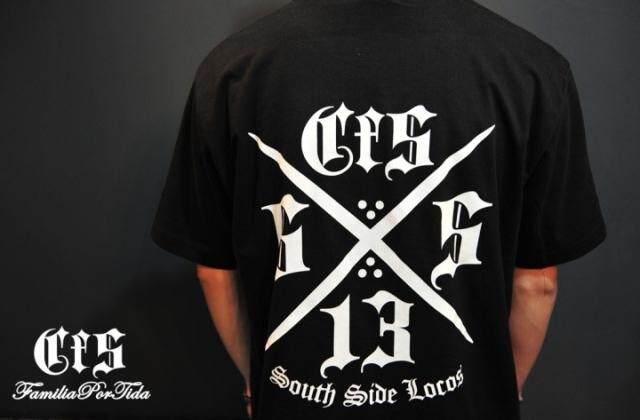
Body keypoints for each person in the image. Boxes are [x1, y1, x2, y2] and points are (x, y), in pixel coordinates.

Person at [151, 0, 606, 418]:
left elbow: (214, 274)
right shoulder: (532, 70)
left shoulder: (233, 70)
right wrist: (500, 391)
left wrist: (260, 385)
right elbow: (538, 284)